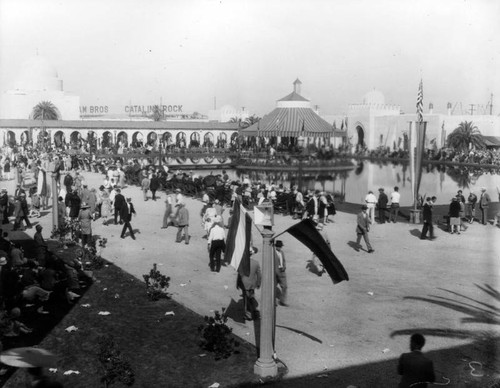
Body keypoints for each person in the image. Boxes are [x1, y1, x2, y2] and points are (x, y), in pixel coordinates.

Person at [237, 247, 261, 321]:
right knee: (251, 298)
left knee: (246, 300)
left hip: (245, 284)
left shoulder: (242, 262)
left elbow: (239, 274)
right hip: (252, 284)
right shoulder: (256, 263)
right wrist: (258, 283)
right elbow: (259, 275)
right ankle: (255, 311)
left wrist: (237, 283)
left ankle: (249, 315)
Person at [274, 240, 288, 306]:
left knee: (285, 286)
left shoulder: (282, 252)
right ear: (276, 246)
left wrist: (284, 267)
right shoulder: (272, 253)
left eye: (280, 246)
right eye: (278, 246)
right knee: (273, 287)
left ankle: (282, 301)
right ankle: (273, 301)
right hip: (275, 272)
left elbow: (284, 260)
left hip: (282, 271)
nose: (280, 248)